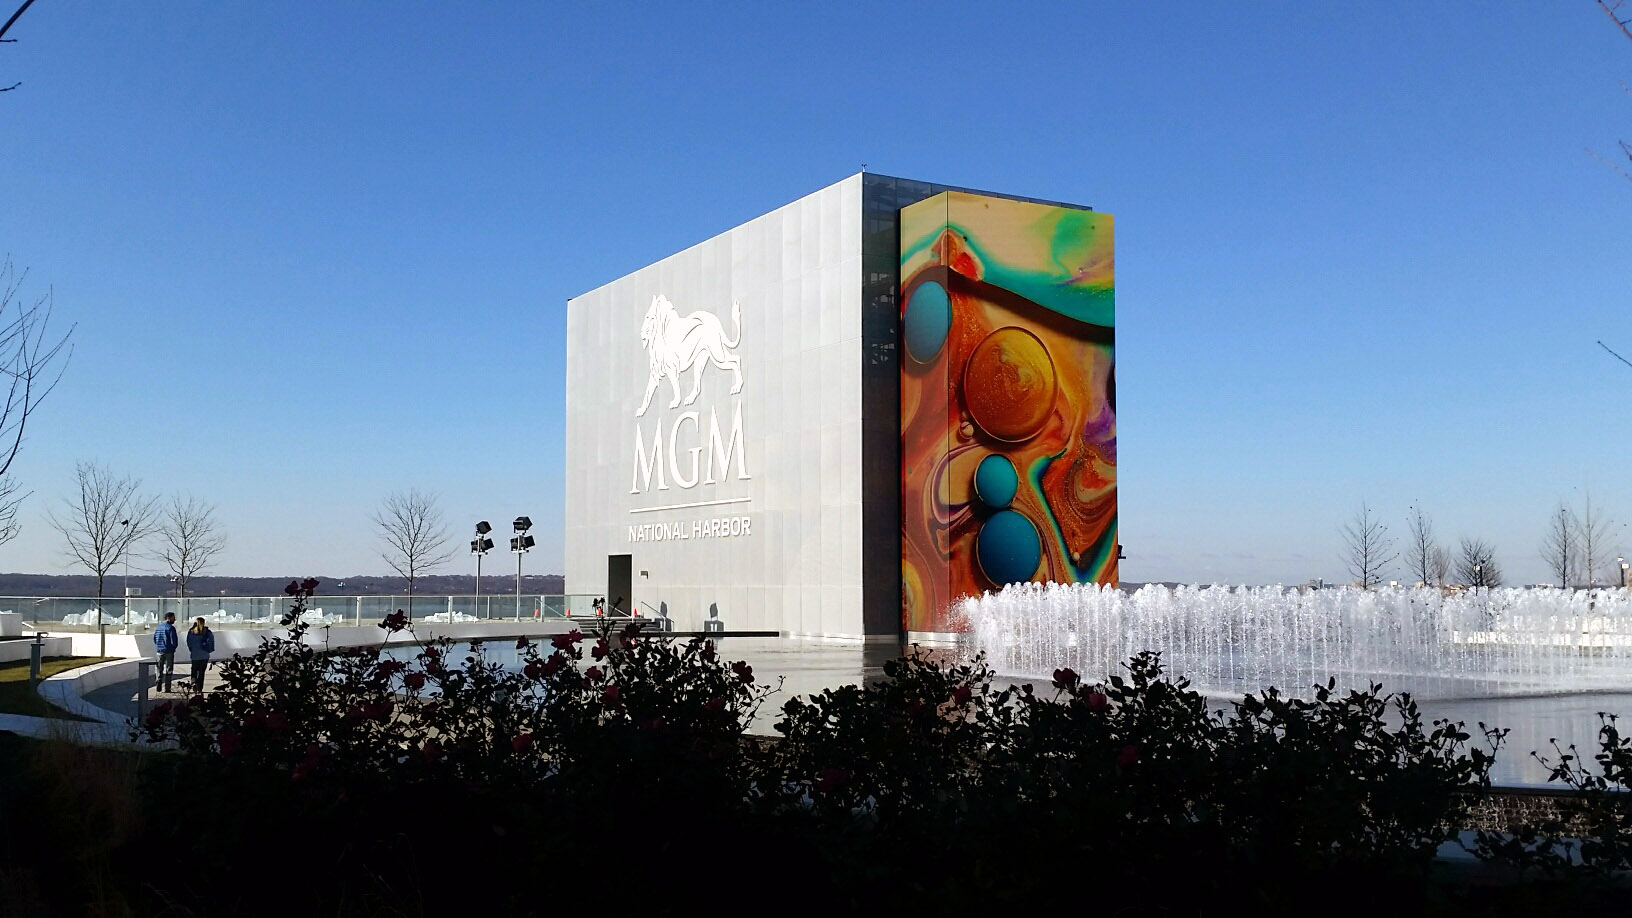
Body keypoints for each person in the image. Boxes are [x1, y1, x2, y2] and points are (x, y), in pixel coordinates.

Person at [185, 617, 215, 694]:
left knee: (194, 670)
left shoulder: (191, 632)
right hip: (204, 655)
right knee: (201, 672)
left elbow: (189, 643)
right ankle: (200, 688)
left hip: (195, 655)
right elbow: (211, 642)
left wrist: (192, 650)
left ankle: (194, 683)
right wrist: (208, 650)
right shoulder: (207, 632)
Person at [153, 612, 179, 693]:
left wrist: (159, 645)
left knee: (159, 668)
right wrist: (173, 647)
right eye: (173, 618)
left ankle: (158, 681)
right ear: (168, 618)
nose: (174, 619)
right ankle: (167, 686)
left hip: (159, 650)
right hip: (169, 651)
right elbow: (174, 641)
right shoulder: (171, 628)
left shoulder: (158, 627)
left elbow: (155, 638)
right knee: (169, 669)